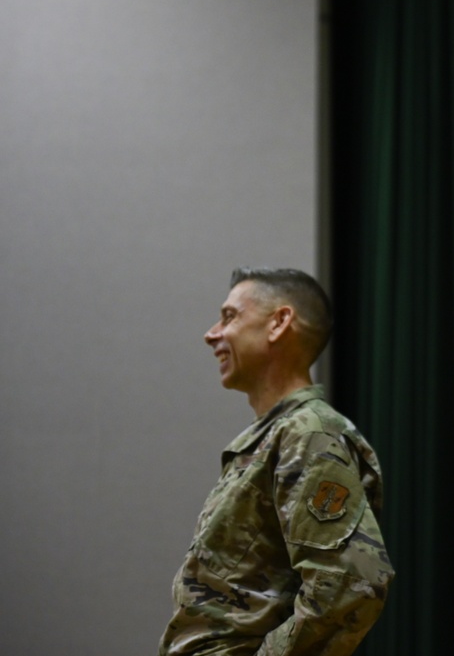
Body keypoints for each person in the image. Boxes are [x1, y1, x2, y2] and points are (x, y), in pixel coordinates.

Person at [159, 267, 394, 655]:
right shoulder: (276, 436)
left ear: (279, 323)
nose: (211, 333)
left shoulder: (309, 433)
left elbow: (350, 584)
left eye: (230, 317)